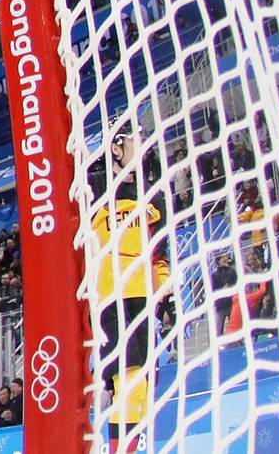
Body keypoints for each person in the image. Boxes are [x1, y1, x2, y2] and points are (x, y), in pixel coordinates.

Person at [91, 120, 170, 454]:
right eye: (135, 139)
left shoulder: (154, 196)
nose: (142, 145)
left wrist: (163, 288)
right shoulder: (93, 188)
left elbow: (159, 253)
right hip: (111, 299)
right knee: (128, 383)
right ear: (116, 147)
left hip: (142, 300)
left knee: (142, 386)